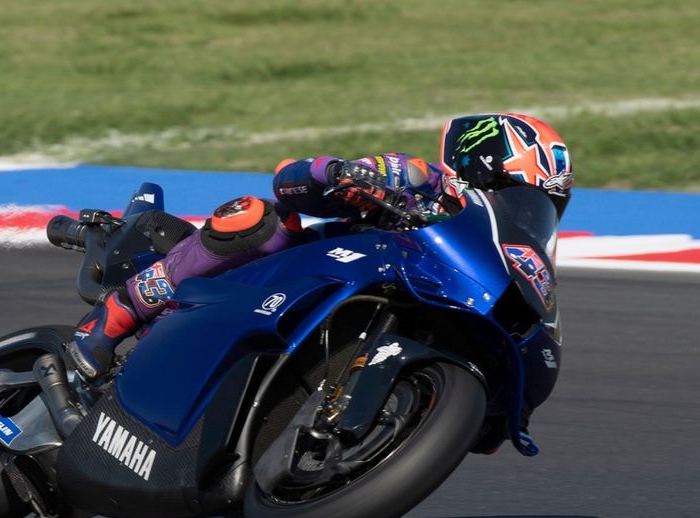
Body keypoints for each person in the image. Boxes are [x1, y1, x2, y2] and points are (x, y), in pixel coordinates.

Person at [66, 113, 573, 380]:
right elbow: (291, 179)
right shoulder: (421, 178)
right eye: (517, 197)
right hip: (303, 274)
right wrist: (337, 175)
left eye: (537, 208)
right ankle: (115, 316)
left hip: (378, 307)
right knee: (255, 216)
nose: (525, 215)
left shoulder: (512, 259)